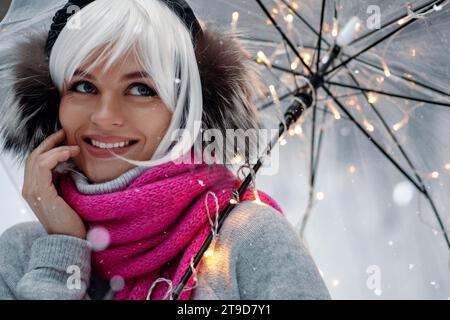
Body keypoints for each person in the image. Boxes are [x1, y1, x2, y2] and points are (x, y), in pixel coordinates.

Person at [0, 0, 330, 300]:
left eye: (141, 89)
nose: (104, 116)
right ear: (54, 103)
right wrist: (59, 259)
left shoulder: (250, 240)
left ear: (185, 110)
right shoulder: (20, 256)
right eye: (84, 86)